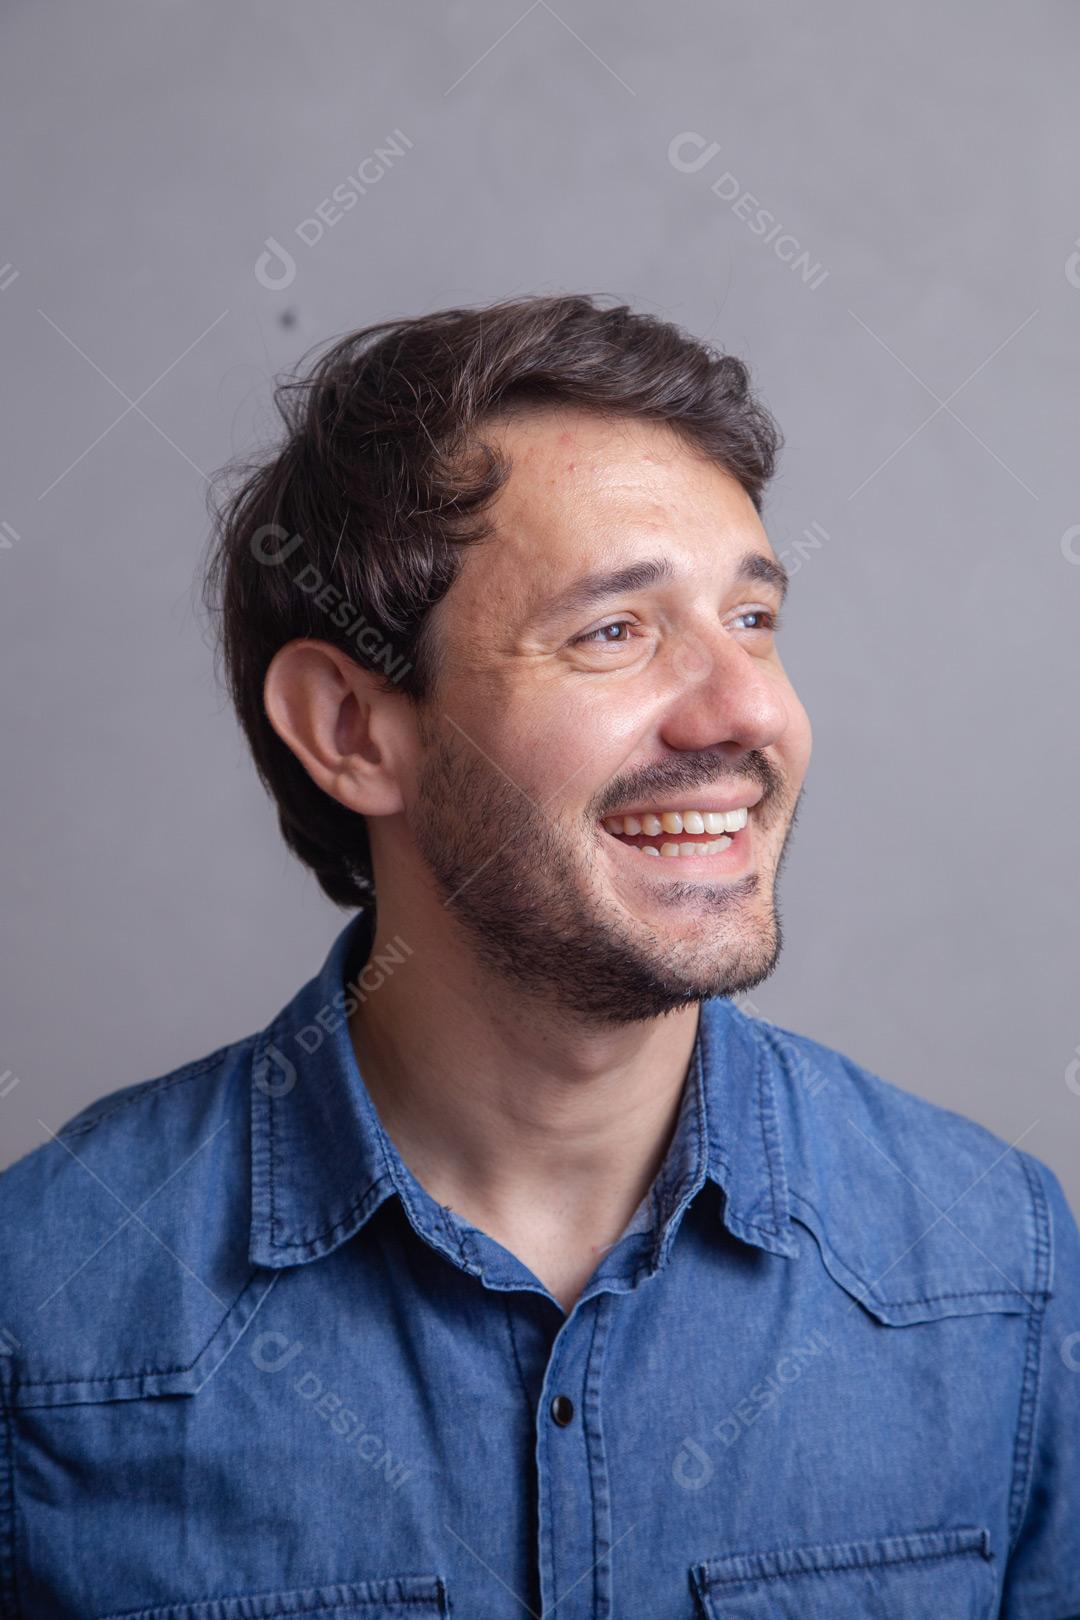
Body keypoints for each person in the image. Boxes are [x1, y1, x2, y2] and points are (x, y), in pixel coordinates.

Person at [1, 294, 1076, 1617]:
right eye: (613, 632)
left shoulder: (1000, 1265)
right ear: (352, 729)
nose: (749, 710)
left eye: (752, 619)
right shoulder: (40, 1308)